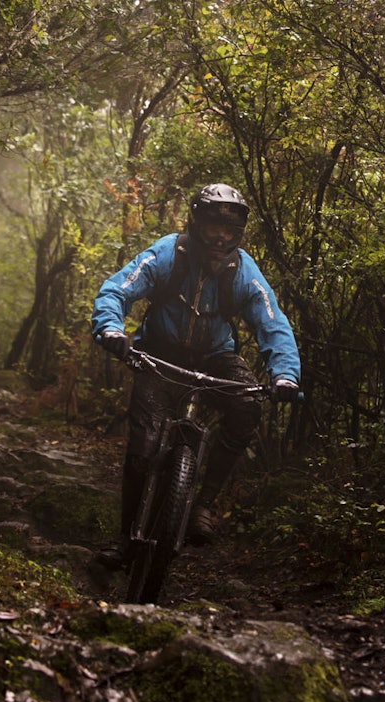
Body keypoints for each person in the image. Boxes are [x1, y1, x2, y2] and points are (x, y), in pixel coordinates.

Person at [91, 182, 301, 567]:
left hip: (215, 357)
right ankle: (125, 540)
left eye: (230, 231)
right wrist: (111, 328)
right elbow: (118, 288)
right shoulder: (169, 254)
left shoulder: (243, 271)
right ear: (195, 224)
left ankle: (204, 503)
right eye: (212, 228)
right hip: (159, 354)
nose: (221, 238)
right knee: (143, 448)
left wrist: (285, 374)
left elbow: (272, 321)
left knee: (246, 408)